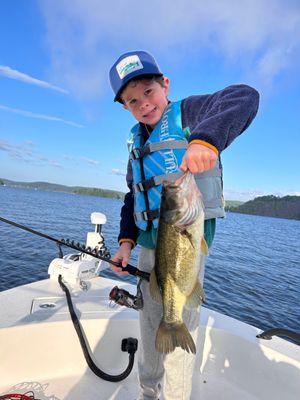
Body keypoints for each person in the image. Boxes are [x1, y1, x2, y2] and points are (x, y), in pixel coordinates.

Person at [109, 50, 259, 400]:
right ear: (125, 108)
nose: (144, 104)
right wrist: (125, 243)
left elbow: (246, 97)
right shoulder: (137, 142)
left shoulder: (190, 113)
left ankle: (175, 396)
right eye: (132, 101)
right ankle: (149, 392)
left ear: (165, 84)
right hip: (148, 244)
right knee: (149, 325)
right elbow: (133, 196)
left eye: (148, 92)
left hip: (184, 237)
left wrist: (205, 139)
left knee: (181, 323)